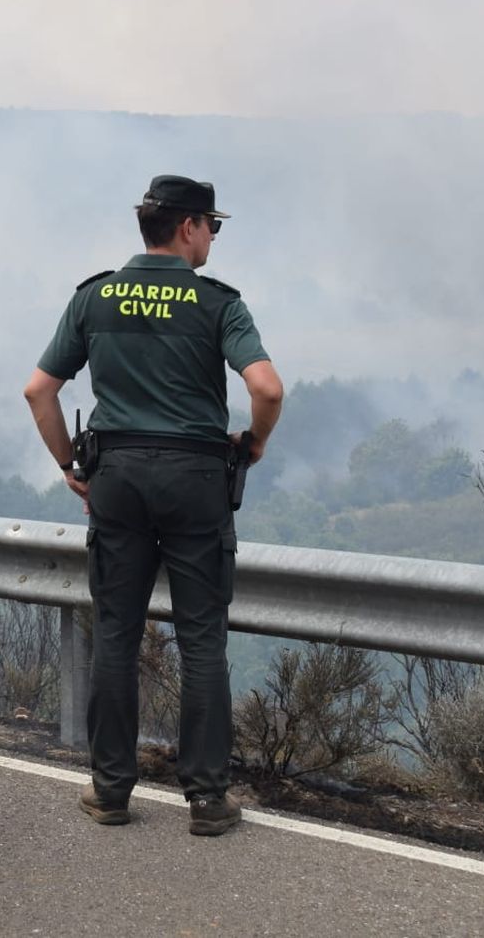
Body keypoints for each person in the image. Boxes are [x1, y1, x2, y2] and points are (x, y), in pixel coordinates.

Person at [23, 174, 283, 836]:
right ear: (189, 226)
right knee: (201, 639)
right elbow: (268, 388)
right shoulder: (217, 302)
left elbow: (38, 391)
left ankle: (110, 791)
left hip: (117, 476)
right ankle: (206, 798)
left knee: (115, 633)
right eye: (212, 226)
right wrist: (250, 445)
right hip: (197, 477)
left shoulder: (97, 296)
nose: (213, 238)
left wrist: (67, 465)